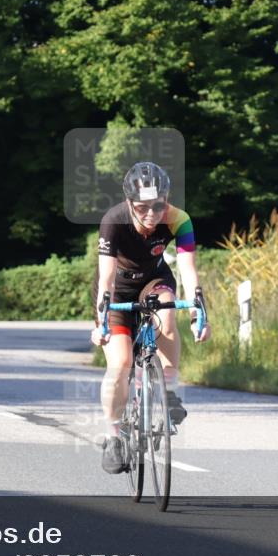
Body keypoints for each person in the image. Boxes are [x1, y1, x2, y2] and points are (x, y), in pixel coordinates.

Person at [91, 162, 211, 474]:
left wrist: (200, 311)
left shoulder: (178, 220)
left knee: (168, 310)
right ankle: (114, 436)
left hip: (153, 280)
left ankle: (168, 390)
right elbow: (105, 279)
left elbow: (187, 269)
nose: (151, 215)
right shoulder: (113, 221)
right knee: (120, 364)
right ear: (129, 202)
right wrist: (101, 321)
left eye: (158, 206)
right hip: (117, 290)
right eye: (142, 207)